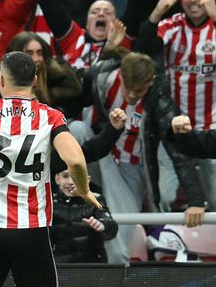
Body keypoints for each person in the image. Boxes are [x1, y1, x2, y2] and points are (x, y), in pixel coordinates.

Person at [0, 51, 102, 287]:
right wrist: (84, 189)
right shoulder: (51, 117)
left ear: (2, 80)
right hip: (32, 227)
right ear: (35, 80)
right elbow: (76, 160)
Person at [80, 52, 206, 263]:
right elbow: (76, 103)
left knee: (122, 234)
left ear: (150, 82)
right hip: (107, 156)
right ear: (120, 74)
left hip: (140, 166)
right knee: (75, 129)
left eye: (137, 90)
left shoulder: (159, 99)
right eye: (126, 86)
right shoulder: (101, 78)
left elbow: (177, 150)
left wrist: (195, 199)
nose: (129, 95)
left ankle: (115, 273)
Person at [137, 0, 216, 211]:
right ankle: (168, 246)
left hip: (213, 127)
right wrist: (155, 15)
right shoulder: (172, 25)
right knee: (165, 197)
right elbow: (143, 50)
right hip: (174, 128)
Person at [50, 170, 117, 263]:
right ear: (57, 179)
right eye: (65, 176)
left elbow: (112, 227)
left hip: (92, 266)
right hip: (59, 266)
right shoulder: (48, 202)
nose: (71, 182)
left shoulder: (96, 199)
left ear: (87, 180)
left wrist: (102, 225)